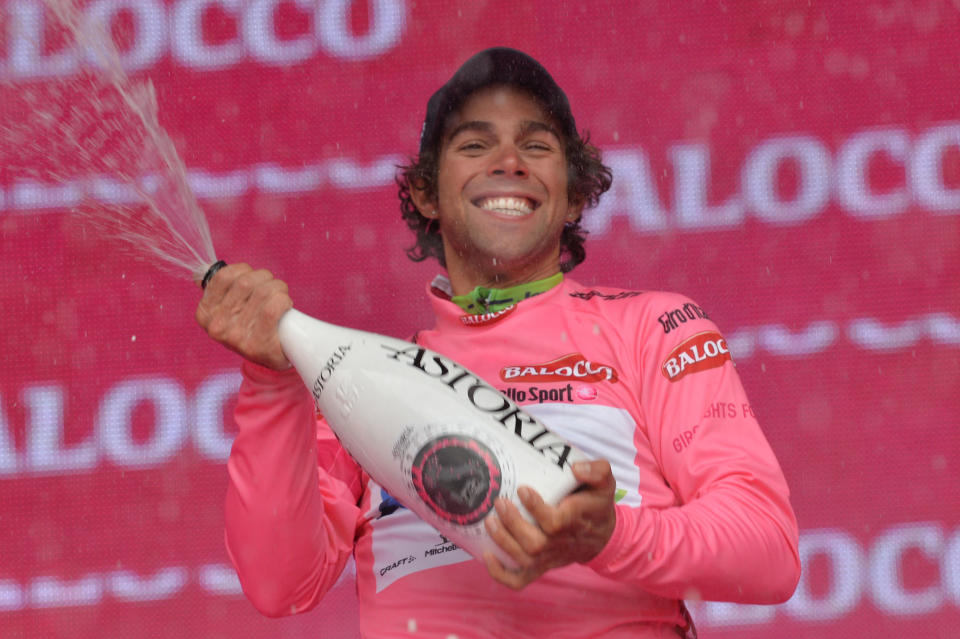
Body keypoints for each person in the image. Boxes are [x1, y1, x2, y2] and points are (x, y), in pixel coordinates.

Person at [196, 47, 800, 638]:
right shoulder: (360, 382)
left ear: (573, 194)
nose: (509, 161)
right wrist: (273, 385)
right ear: (427, 194)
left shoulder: (653, 328)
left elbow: (767, 550)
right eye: (475, 144)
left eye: (536, 146)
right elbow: (281, 585)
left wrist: (609, 536)